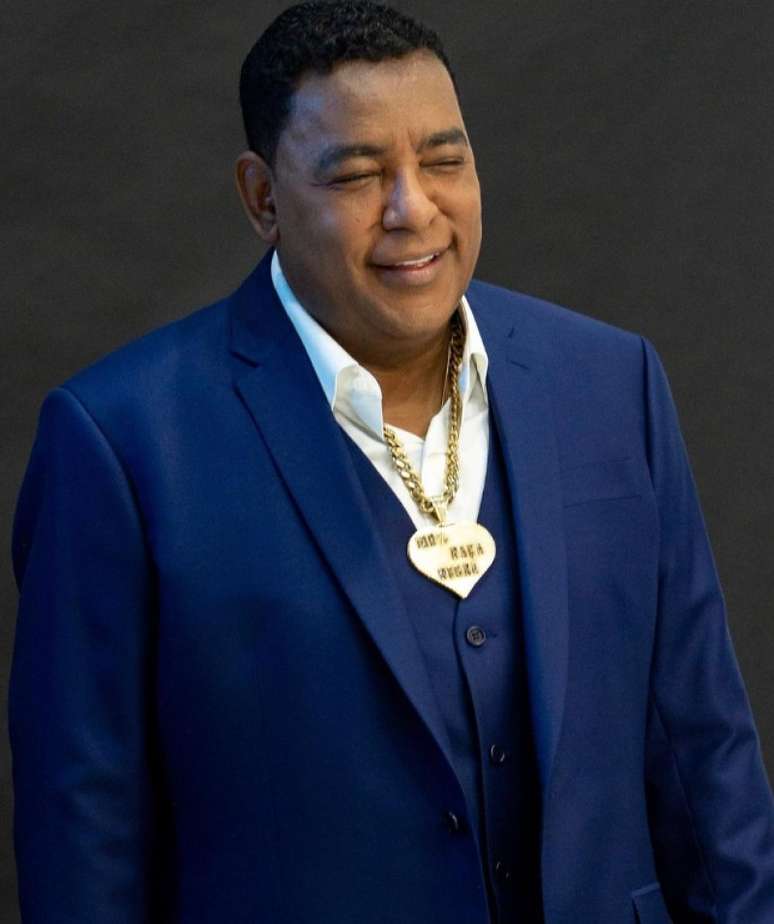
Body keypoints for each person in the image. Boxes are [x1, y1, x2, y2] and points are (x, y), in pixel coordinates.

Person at [9, 2, 774, 922]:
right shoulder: (120, 441)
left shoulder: (612, 384)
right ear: (262, 198)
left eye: (444, 161)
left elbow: (706, 754)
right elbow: (84, 830)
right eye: (359, 175)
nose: (414, 210)